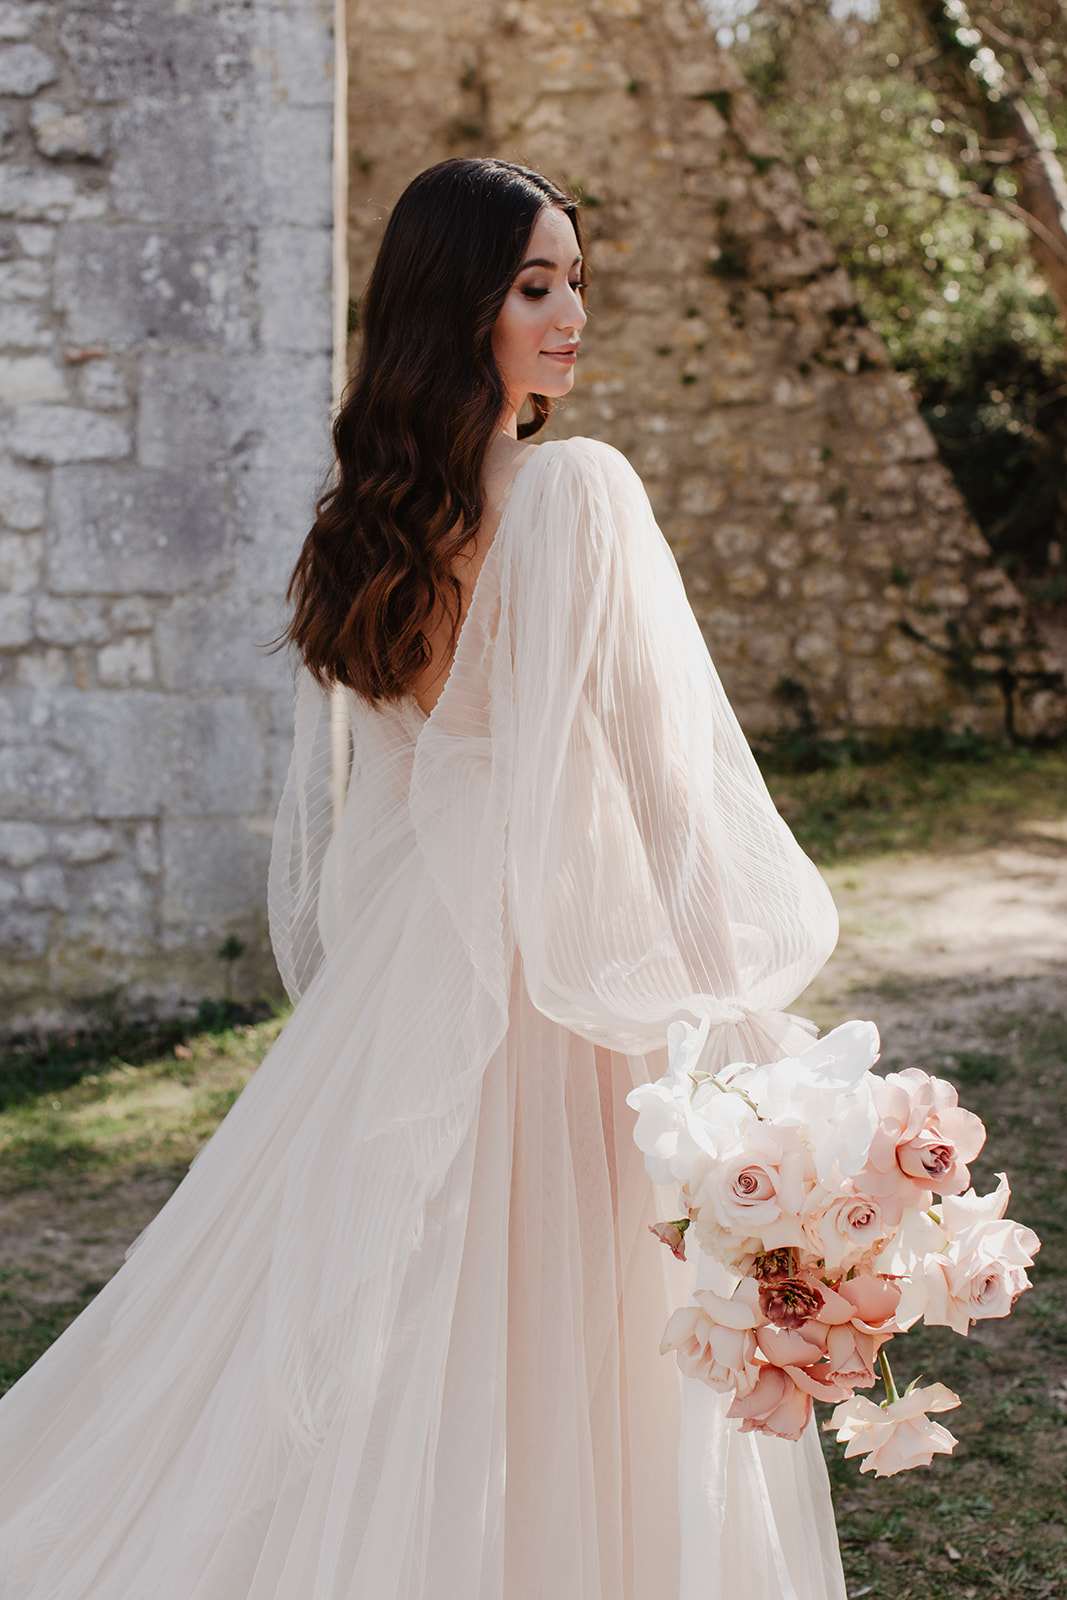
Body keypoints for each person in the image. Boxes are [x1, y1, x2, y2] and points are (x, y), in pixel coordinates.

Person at [0, 157, 847, 1599]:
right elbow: (663, 789)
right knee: (584, 1325)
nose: (571, 316)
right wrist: (737, 1017)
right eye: (535, 287)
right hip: (576, 981)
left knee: (414, 1322)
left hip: (414, 980)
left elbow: (387, 808)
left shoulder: (363, 527)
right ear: (459, 308)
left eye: (577, 283)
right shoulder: (575, 494)